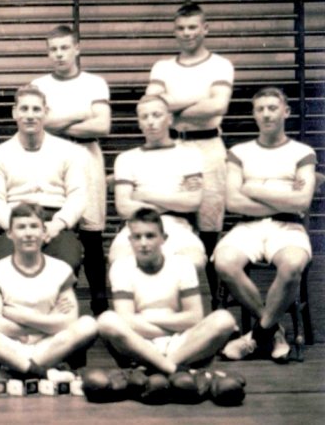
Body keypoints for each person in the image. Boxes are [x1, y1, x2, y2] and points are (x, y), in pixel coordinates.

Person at [215, 87, 317, 361]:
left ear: (286, 111)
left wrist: (253, 188)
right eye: (260, 109)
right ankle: (273, 331)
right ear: (254, 115)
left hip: (288, 227)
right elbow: (234, 203)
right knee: (224, 262)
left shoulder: (302, 152)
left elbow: (301, 202)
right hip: (247, 226)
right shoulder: (239, 152)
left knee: (293, 264)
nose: (266, 114)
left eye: (272, 108)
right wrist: (285, 195)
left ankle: (255, 337)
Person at [145, 3, 234, 305]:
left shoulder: (220, 65)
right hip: (172, 148)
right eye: (181, 28)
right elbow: (152, 105)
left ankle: (217, 303)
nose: (187, 33)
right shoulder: (163, 68)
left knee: (210, 225)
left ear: (205, 28)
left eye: (193, 27)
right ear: (174, 30)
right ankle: (176, 300)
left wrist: (173, 104)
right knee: (174, 218)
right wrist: (200, 97)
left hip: (209, 148)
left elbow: (217, 106)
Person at [0, 203, 98, 377]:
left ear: (44, 231)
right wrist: (47, 322)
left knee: (88, 325)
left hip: (48, 345)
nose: (28, 233)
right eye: (21, 227)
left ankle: (14, 371)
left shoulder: (61, 270)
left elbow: (68, 321)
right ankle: (39, 372)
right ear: (10, 233)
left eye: (34, 226)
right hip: (9, 346)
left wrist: (22, 317)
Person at [31, 25, 112, 315]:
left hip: (86, 153)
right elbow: (40, 123)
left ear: (77, 48)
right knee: (56, 225)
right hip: (51, 156)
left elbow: (102, 125)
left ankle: (100, 303)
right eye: (53, 49)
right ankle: (58, 302)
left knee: (91, 232)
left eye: (64, 48)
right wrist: (81, 113)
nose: (59, 54)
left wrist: (57, 120)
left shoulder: (94, 83)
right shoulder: (39, 85)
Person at [97, 208, 236, 375]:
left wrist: (146, 318)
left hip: (181, 343)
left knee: (224, 319)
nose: (143, 243)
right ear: (130, 240)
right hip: (140, 344)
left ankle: (158, 367)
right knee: (106, 320)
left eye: (150, 236)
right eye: (137, 237)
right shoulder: (121, 267)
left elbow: (194, 317)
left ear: (164, 238)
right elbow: (126, 321)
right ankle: (172, 368)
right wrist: (174, 325)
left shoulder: (182, 265)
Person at [0, 84, 86, 270]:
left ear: (46, 112)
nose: (30, 115)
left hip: (55, 223)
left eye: (36, 109)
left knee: (67, 262)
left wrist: (57, 224)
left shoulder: (68, 151)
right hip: (15, 222)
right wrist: (17, 227)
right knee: (4, 265)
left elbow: (77, 196)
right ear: (14, 112)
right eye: (24, 108)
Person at [109, 95, 206, 272]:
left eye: (156, 115)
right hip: (137, 226)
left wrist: (145, 195)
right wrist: (173, 202)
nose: (150, 122)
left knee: (194, 261)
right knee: (118, 262)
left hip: (176, 225)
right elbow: (123, 207)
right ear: (139, 123)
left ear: (169, 118)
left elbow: (193, 202)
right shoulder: (126, 158)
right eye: (144, 117)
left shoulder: (190, 154)